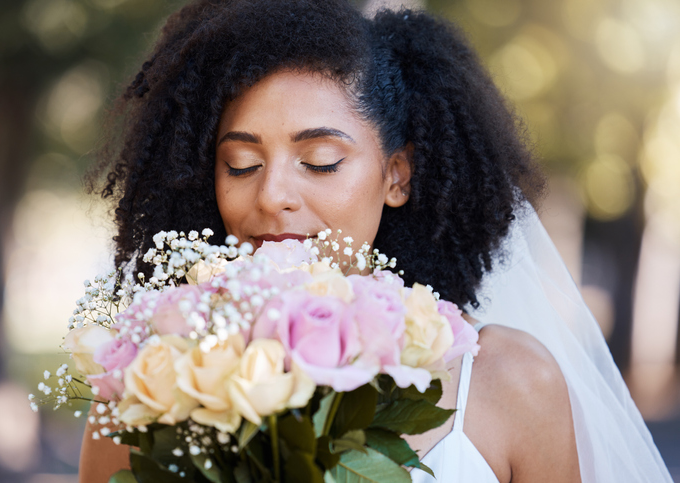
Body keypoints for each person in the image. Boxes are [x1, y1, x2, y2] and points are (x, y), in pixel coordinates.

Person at [81, 1, 672, 482]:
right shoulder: (150, 376)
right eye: (240, 164)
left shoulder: (512, 380)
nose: (272, 196)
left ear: (396, 176)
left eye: (319, 161)